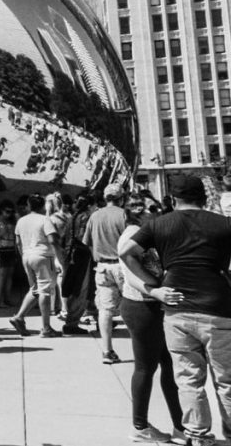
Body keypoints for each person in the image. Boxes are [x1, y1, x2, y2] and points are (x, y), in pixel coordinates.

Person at [121, 174, 231, 446]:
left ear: (172, 199)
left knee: (188, 378)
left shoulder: (160, 224)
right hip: (218, 307)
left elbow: (127, 253)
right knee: (226, 378)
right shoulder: (224, 224)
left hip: (177, 308)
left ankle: (197, 434)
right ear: (204, 198)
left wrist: (153, 285)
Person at [117, 194, 185, 444]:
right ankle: (140, 426)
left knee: (169, 365)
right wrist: (154, 290)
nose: (154, 212)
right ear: (134, 211)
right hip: (141, 306)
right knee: (146, 367)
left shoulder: (146, 233)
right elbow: (130, 275)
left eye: (154, 207)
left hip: (154, 305)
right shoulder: (131, 236)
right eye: (148, 208)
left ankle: (180, 426)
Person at [83, 182, 128, 364]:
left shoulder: (95, 216)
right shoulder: (124, 215)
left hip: (102, 266)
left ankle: (107, 350)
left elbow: (87, 241)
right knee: (133, 304)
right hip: (123, 264)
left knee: (105, 309)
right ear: (121, 198)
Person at [9, 194, 63, 338]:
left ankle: (19, 317)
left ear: (28, 205)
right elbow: (53, 240)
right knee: (45, 291)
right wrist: (60, 258)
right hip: (43, 256)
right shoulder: (44, 220)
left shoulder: (21, 221)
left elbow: (18, 242)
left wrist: (23, 256)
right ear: (42, 206)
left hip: (27, 255)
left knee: (35, 289)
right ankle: (46, 328)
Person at [0, 199, 18, 307]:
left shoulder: (13, 220)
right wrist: (4, 230)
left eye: (11, 212)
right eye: (7, 211)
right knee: (2, 274)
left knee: (9, 274)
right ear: (1, 210)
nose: (9, 214)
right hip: (0, 248)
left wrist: (16, 216)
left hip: (11, 248)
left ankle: (7, 298)